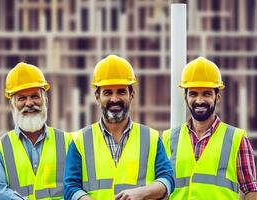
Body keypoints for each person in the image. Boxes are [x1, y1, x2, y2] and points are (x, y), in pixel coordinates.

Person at [64, 55, 174, 200]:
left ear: (131, 95)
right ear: (97, 96)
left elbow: (168, 180)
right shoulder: (80, 140)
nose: (114, 99)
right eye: (108, 92)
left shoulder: (151, 138)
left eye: (121, 91)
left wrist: (142, 193)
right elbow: (70, 187)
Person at [162, 57, 257, 200]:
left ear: (217, 97)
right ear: (186, 97)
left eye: (206, 94)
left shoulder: (236, 139)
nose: (199, 100)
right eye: (193, 94)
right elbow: (160, 188)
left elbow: (251, 189)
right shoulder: (169, 138)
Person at [0, 62, 71, 200]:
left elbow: (74, 185)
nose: (29, 103)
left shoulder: (67, 141)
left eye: (35, 96)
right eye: (22, 98)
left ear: (45, 100)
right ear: (13, 105)